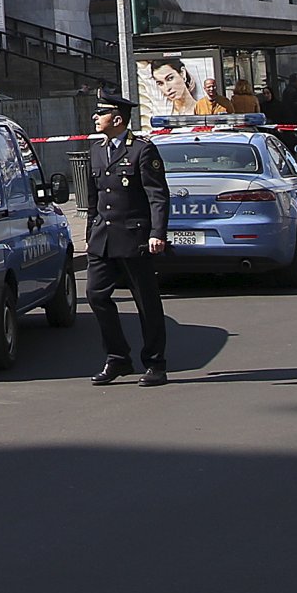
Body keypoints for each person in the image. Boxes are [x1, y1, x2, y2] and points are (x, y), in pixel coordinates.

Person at [83, 89, 171, 387]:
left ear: (117, 118)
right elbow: (94, 197)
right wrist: (90, 233)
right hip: (103, 238)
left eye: (101, 113)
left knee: (146, 301)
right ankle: (117, 358)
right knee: (96, 295)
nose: (95, 117)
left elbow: (157, 196)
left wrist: (157, 233)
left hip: (134, 238)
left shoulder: (141, 150)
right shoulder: (97, 149)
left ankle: (155, 363)